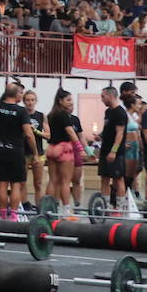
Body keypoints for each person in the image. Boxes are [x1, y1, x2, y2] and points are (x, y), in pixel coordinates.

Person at [0, 53, 36, 220]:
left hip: (1, 150)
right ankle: (13, 216)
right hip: (16, 152)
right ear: (18, 95)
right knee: (16, 184)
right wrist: (36, 153)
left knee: (2, 184)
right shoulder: (21, 111)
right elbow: (29, 134)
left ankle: (3, 214)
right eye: (22, 94)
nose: (22, 97)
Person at [47, 89, 84, 217]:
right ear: (60, 101)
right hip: (64, 148)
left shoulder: (51, 115)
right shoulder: (64, 115)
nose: (70, 102)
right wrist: (80, 148)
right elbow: (70, 131)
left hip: (52, 148)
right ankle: (67, 210)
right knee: (65, 182)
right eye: (68, 100)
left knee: (52, 181)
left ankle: (49, 208)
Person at [97, 86, 129, 210]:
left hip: (116, 153)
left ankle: (121, 207)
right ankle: (105, 207)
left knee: (119, 179)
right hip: (104, 151)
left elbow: (120, 133)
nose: (101, 99)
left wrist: (113, 151)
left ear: (110, 96)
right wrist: (100, 136)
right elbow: (107, 129)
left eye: (103, 96)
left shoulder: (120, 113)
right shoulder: (108, 112)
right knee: (104, 179)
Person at [24, 89, 48, 214]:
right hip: (23, 152)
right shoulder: (21, 113)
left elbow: (48, 135)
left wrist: (36, 131)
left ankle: (40, 208)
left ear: (36, 101)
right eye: (27, 100)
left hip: (38, 152)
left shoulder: (41, 115)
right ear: (24, 101)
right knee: (22, 181)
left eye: (32, 100)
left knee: (38, 183)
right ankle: (24, 206)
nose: (30, 103)